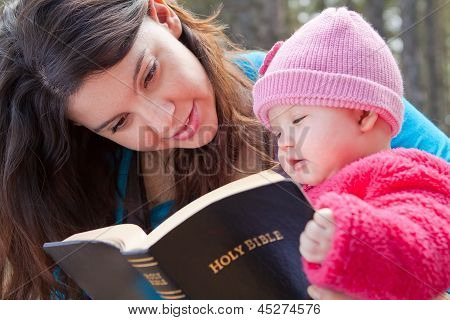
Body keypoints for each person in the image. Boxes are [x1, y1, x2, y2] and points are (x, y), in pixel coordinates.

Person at [0, 0, 447, 300]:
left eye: (150, 74)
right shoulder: (95, 186)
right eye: (120, 123)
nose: (163, 119)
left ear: (163, 17)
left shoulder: (313, 86)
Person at [252, 7, 449, 299]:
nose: (284, 143)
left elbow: (429, 247)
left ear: (364, 114)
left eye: (297, 121)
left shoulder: (406, 172)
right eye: (278, 132)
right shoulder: (299, 191)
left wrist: (353, 239)